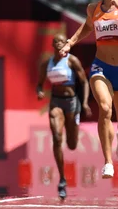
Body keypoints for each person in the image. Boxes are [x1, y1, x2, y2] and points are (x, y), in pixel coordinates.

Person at [59, 0, 118, 180]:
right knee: (105, 108)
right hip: (101, 67)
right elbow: (87, 27)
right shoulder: (93, 8)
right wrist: (70, 43)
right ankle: (107, 162)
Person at [37, 34, 92, 200]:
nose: (63, 46)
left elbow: (84, 81)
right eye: (60, 43)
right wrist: (39, 91)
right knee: (56, 136)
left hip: (72, 102)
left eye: (65, 43)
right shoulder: (47, 63)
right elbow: (39, 84)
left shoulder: (72, 60)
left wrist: (85, 103)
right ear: (54, 45)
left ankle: (73, 128)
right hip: (56, 102)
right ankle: (62, 179)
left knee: (72, 144)